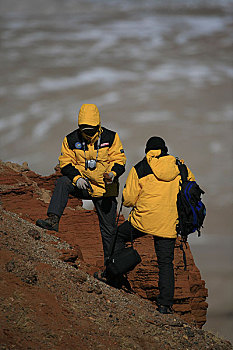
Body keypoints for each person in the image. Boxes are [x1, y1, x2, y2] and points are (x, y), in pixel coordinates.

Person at [108, 136, 195, 313]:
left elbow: (129, 200)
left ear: (148, 151)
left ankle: (113, 276)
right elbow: (191, 191)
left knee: (119, 235)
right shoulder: (181, 167)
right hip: (169, 223)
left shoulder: (140, 168)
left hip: (143, 220)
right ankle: (165, 305)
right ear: (165, 150)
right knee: (165, 263)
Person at [36, 103, 126, 262]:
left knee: (109, 230)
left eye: (91, 129)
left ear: (98, 125)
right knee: (63, 182)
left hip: (105, 189)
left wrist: (112, 173)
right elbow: (65, 162)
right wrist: (77, 179)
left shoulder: (111, 137)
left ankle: (111, 265)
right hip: (83, 185)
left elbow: (119, 160)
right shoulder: (71, 139)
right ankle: (53, 220)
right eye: (84, 129)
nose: (87, 133)